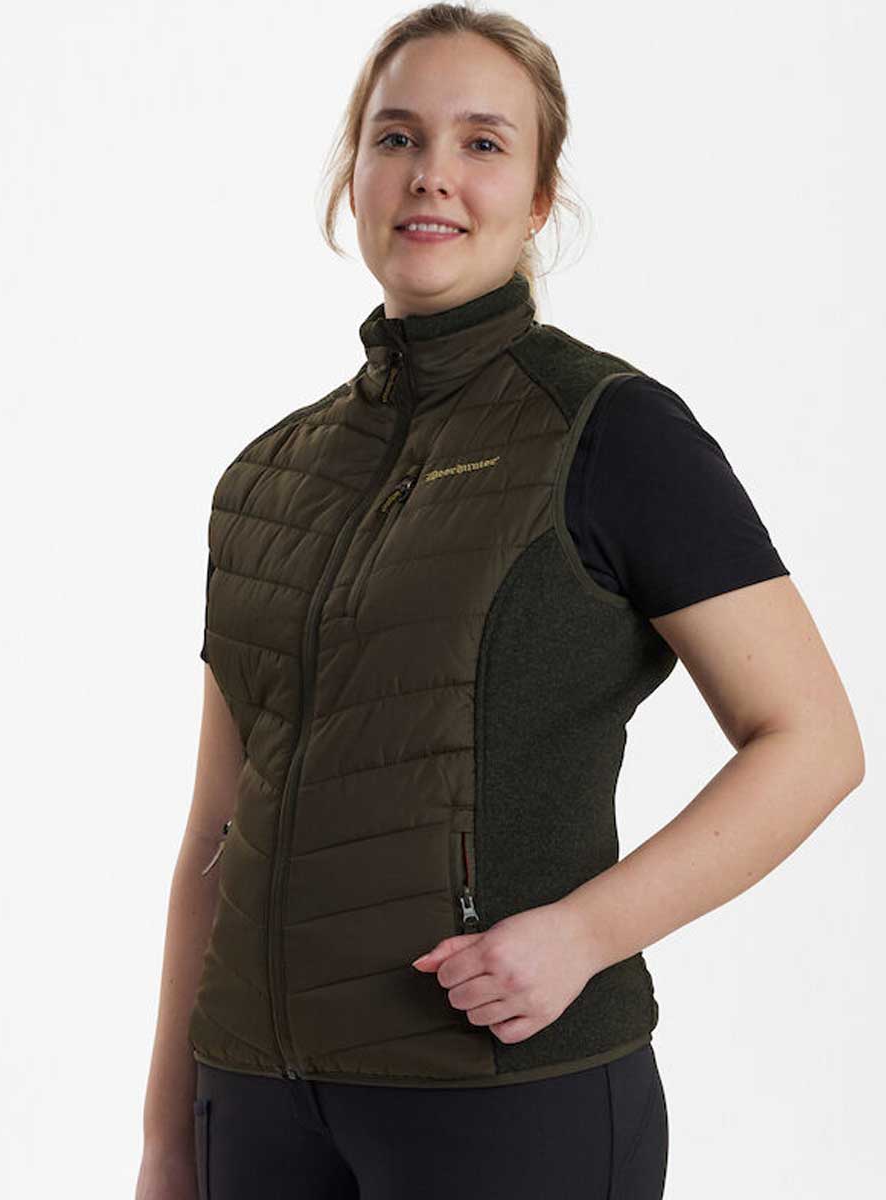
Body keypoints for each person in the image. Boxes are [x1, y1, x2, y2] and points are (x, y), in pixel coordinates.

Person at [135, 6, 865, 1199]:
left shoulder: (612, 431)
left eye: (482, 143)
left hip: (505, 1093)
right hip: (253, 1105)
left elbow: (815, 741)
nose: (432, 173)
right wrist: (169, 1142)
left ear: (538, 199)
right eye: (396, 137)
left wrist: (585, 934)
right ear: (354, 178)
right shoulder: (265, 479)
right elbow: (213, 835)